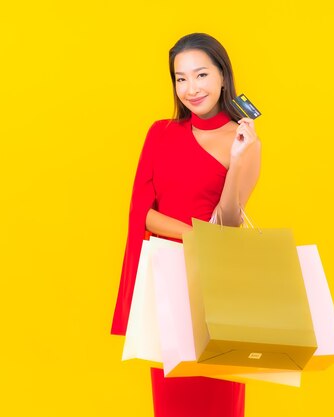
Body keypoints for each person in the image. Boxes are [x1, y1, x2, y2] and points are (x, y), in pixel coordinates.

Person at [111, 33, 262, 417]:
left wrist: (240, 158)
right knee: (171, 402)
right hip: (169, 283)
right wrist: (194, 235)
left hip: (216, 286)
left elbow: (228, 221)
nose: (191, 89)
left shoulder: (243, 140)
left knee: (218, 399)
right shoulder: (160, 133)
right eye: (180, 78)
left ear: (223, 77)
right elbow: (141, 213)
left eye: (200, 75)